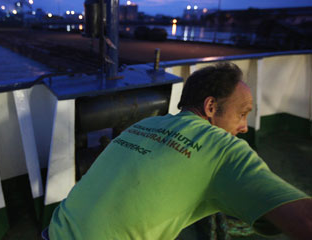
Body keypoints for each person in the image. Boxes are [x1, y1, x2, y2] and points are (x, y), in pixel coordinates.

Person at [47, 62, 312, 240]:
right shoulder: (224, 148)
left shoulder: (147, 123)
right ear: (210, 107)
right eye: (242, 114)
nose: (244, 127)